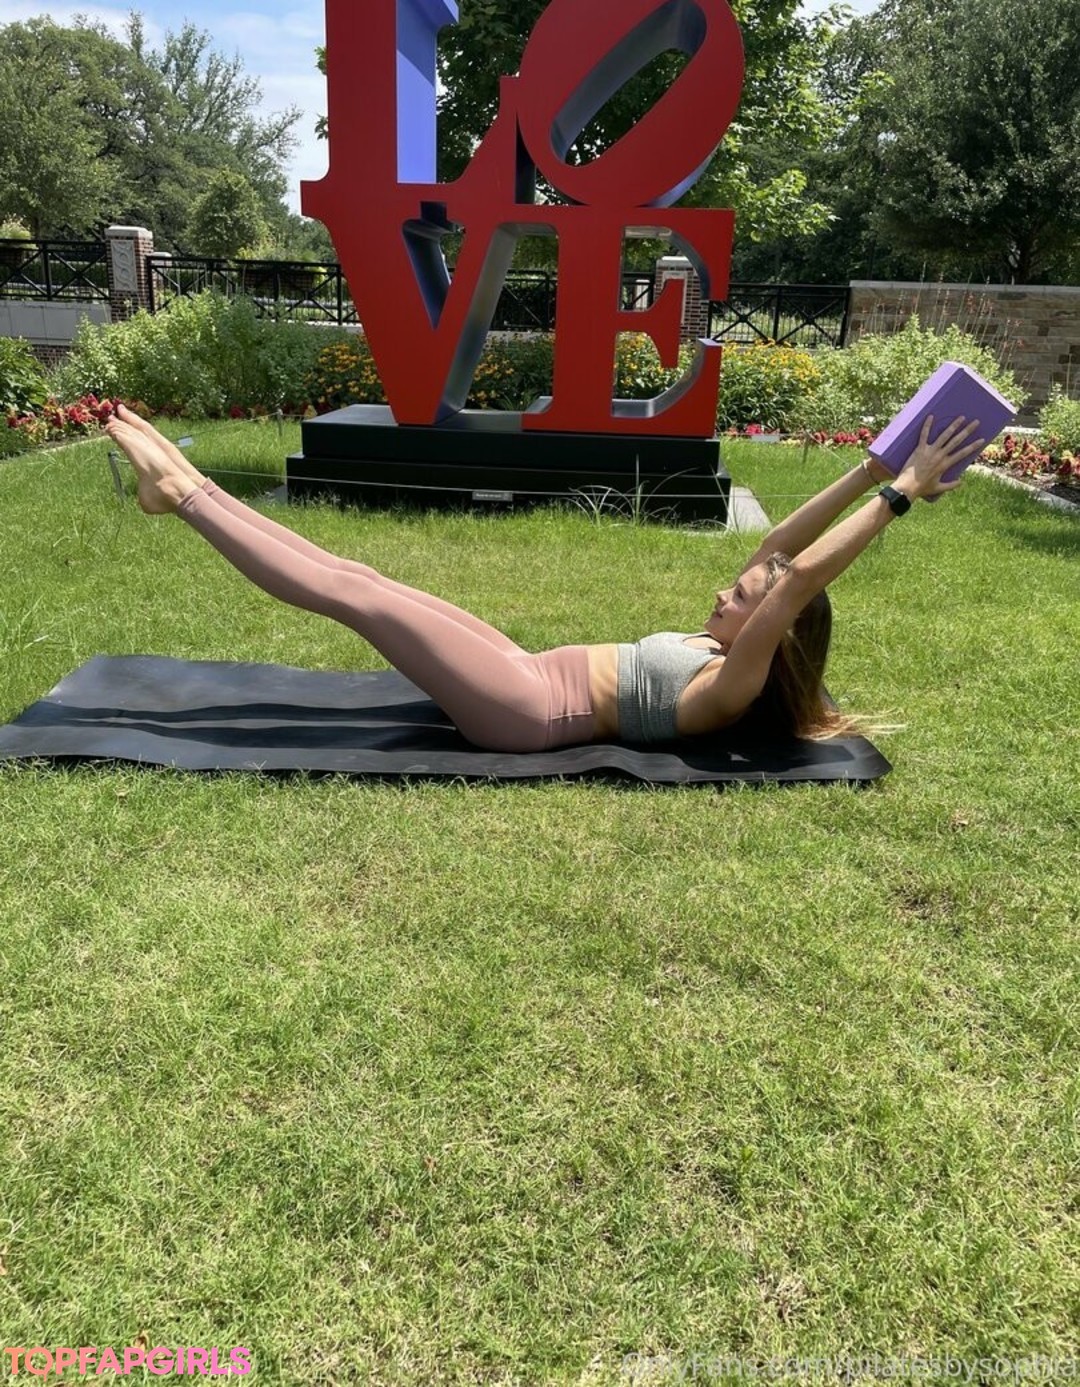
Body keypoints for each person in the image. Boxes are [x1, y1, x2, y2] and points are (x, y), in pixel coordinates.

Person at [103, 404, 985, 752]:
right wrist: (870, 470)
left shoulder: (731, 685)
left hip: (525, 711)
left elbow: (791, 583)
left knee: (354, 597)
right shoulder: (729, 643)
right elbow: (781, 555)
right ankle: (192, 484)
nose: (729, 589)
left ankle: (182, 496)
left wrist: (900, 498)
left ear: (769, 631)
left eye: (742, 600)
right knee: (361, 572)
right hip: (525, 668)